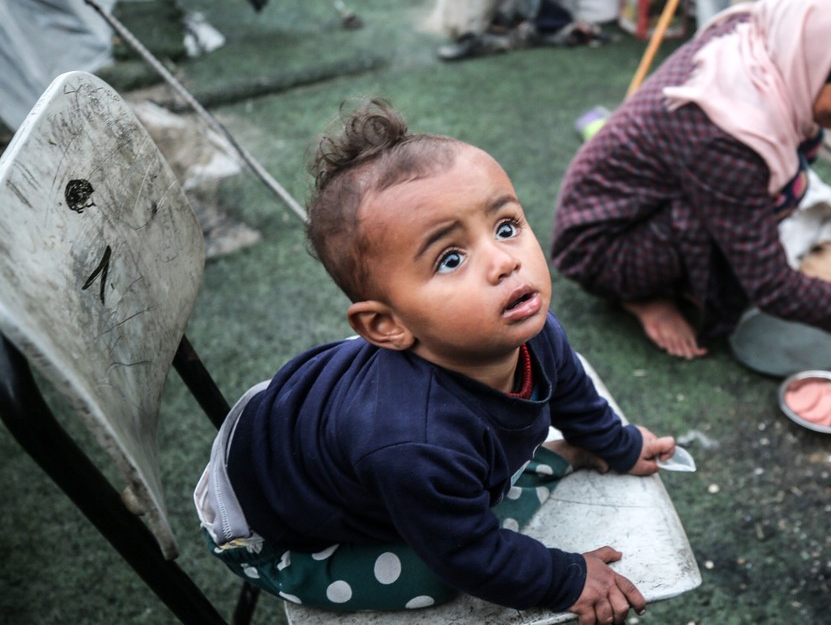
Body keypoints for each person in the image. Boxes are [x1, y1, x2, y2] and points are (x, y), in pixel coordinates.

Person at [194, 99, 675, 624]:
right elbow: (470, 556)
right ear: (387, 326)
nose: (504, 261)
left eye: (507, 226)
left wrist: (617, 444)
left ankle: (510, 477)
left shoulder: (532, 333)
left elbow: (575, 394)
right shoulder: (413, 441)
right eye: (451, 258)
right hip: (260, 528)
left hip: (301, 427)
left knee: (452, 503)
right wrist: (567, 577)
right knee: (437, 574)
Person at [551, 0, 831, 360]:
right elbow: (775, 290)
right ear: (809, 64)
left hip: (647, 200)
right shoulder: (724, 133)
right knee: (737, 231)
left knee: (757, 201)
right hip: (599, 246)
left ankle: (682, 274)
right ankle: (639, 297)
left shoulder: (763, 37)